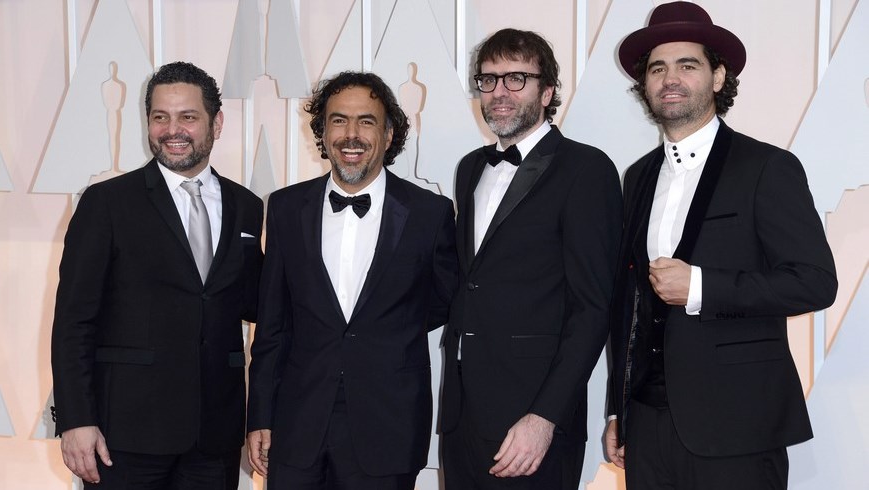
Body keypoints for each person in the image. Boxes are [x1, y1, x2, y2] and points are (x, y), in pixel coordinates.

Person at [606, 3, 838, 489]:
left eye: (687, 65)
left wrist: (701, 287)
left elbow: (814, 283)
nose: (671, 78)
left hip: (739, 425)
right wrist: (618, 411)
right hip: (648, 427)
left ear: (717, 77)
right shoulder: (638, 177)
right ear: (644, 85)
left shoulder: (767, 168)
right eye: (657, 68)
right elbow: (627, 306)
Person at [51, 61, 264, 489]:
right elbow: (74, 321)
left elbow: (252, 302)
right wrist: (76, 420)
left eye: (188, 116)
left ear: (216, 123)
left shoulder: (247, 205)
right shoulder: (106, 203)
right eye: (160, 117)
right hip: (124, 435)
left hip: (214, 436)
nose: (173, 130)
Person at [245, 71, 458, 490]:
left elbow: (442, 301)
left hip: (388, 425)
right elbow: (272, 324)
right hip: (295, 425)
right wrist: (260, 416)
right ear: (322, 131)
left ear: (389, 132)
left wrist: (386, 333)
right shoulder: (287, 207)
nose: (351, 134)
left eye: (366, 121)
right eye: (338, 120)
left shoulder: (430, 213)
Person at [440, 28, 623, 489]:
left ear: (548, 91)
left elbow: (593, 307)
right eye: (488, 79)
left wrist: (544, 418)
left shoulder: (586, 169)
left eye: (516, 78)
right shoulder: (470, 169)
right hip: (462, 417)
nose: (499, 91)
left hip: (535, 420)